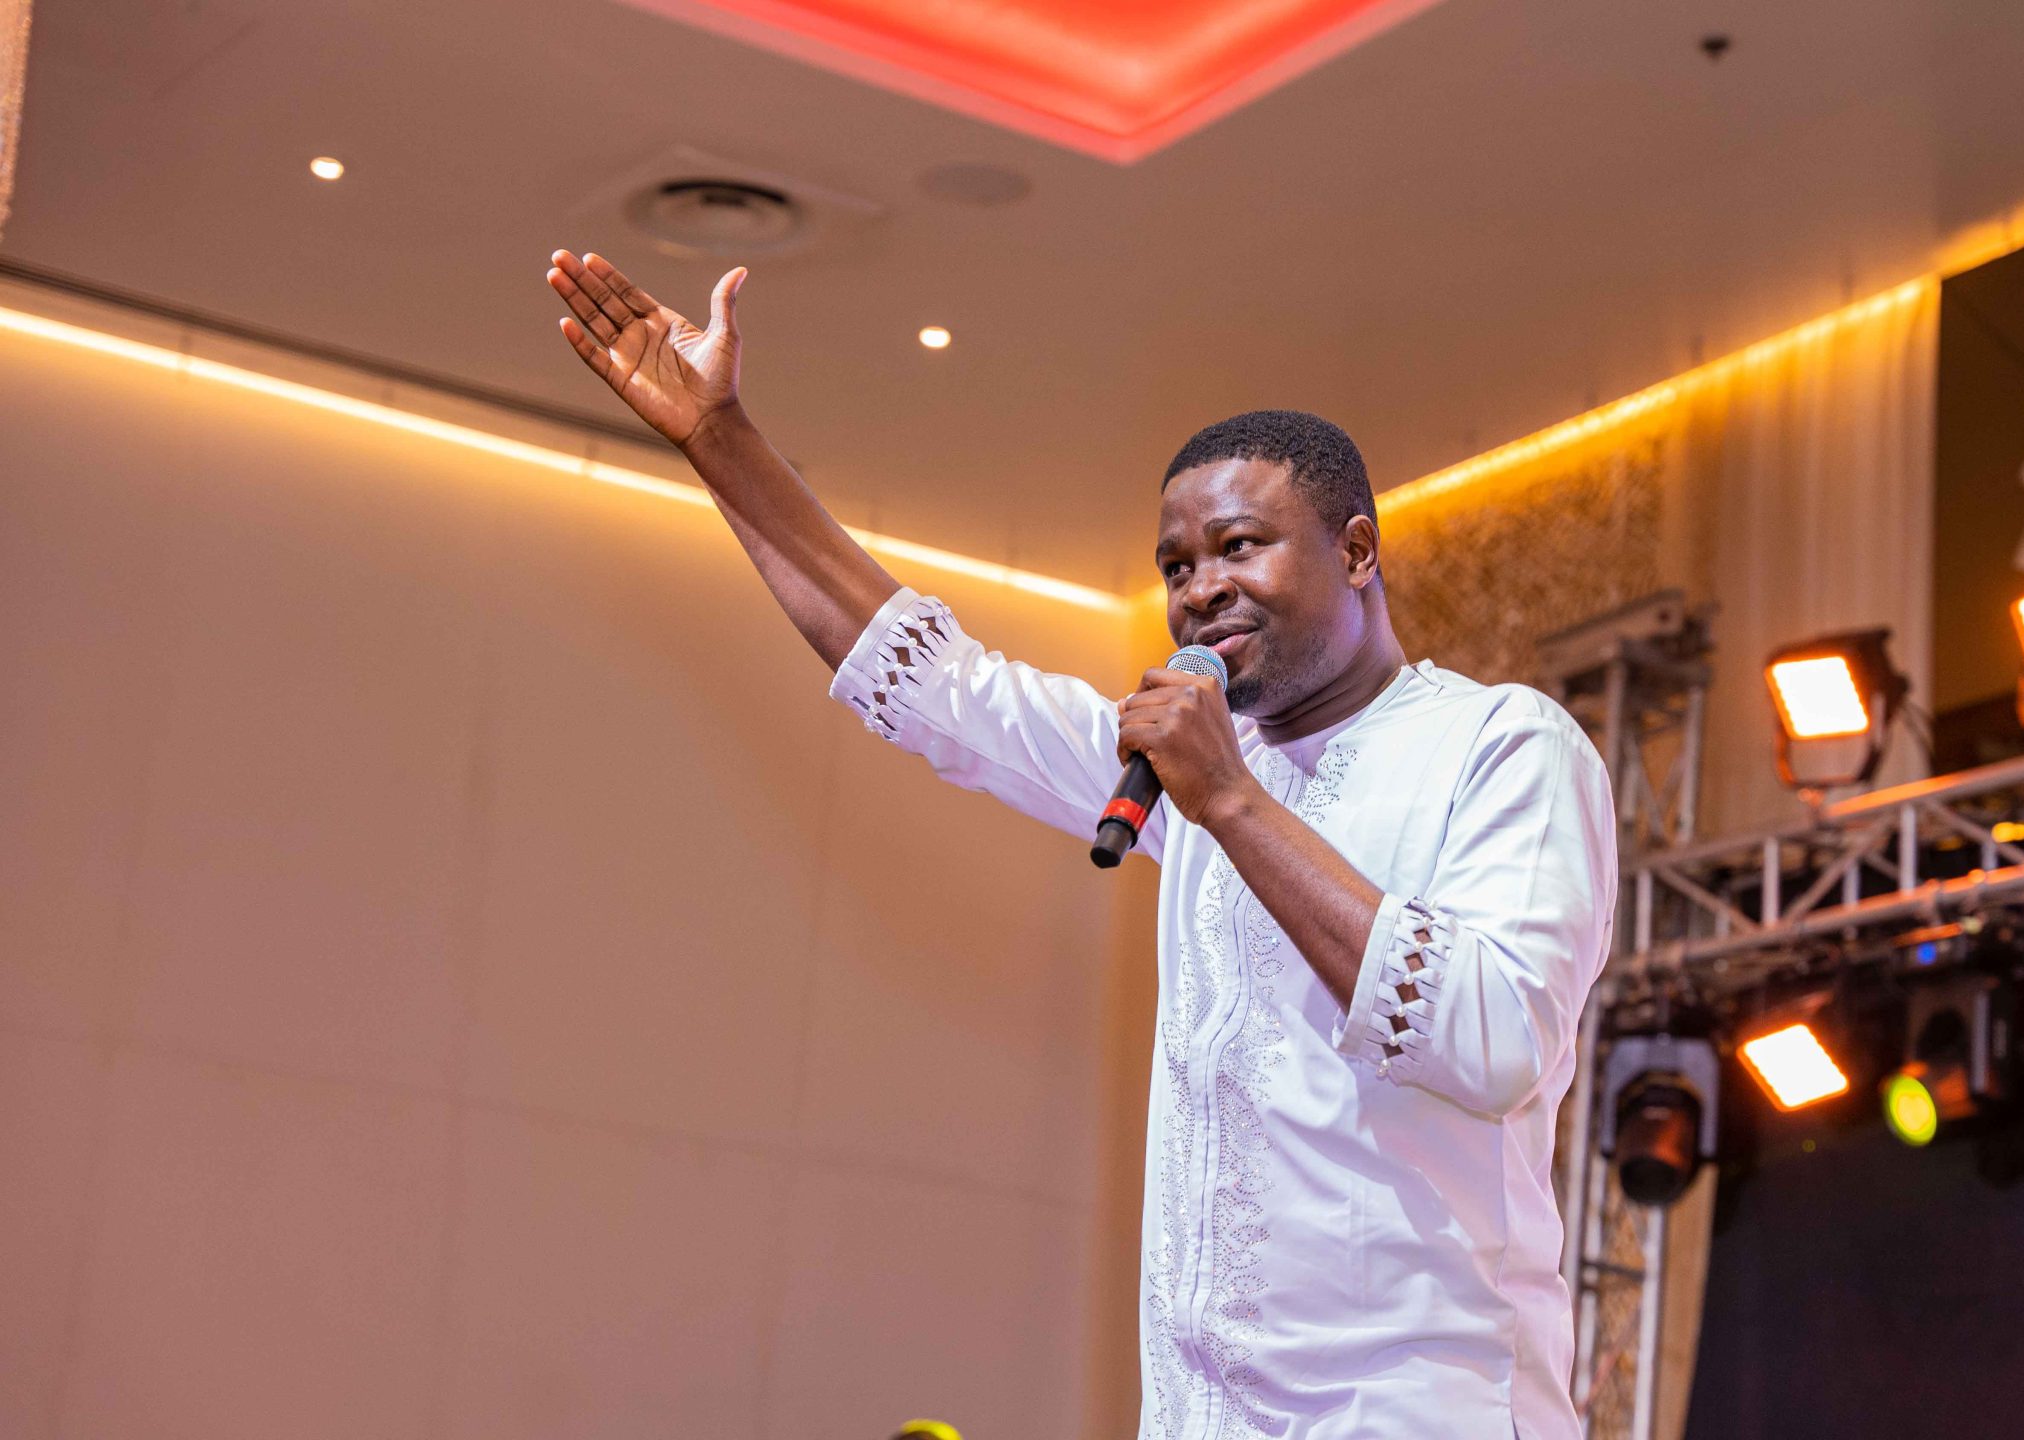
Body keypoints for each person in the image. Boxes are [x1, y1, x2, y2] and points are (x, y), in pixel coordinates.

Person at [542, 252, 1615, 1439]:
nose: (1201, 589)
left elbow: (1494, 1039)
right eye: (1176, 567)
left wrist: (1229, 802)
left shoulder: (1500, 743)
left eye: (1240, 546)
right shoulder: (1197, 764)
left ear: (1356, 552)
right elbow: (938, 686)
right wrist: (720, 439)